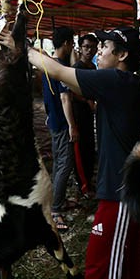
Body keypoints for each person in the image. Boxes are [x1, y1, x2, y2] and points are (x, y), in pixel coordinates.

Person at [20, 26, 140, 279]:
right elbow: (73, 82)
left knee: (100, 276)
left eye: (105, 46)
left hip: (117, 196)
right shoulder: (126, 83)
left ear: (123, 55)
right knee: (129, 259)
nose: (99, 50)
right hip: (127, 190)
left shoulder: (116, 81)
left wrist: (23, 46)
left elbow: (59, 71)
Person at [42, 27, 78, 232]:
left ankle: (57, 200)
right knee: (65, 163)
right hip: (62, 123)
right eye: (72, 42)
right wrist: (72, 125)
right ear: (66, 43)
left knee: (58, 161)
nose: (72, 46)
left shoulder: (48, 65)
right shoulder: (61, 67)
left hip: (53, 120)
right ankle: (55, 209)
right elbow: (65, 98)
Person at [72, 33, 99, 195]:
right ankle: (82, 184)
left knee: (89, 146)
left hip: (89, 114)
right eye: (86, 47)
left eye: (93, 47)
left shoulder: (93, 67)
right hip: (79, 113)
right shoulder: (77, 68)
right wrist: (87, 101)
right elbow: (71, 91)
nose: (89, 50)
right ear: (80, 48)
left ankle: (88, 180)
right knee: (80, 149)